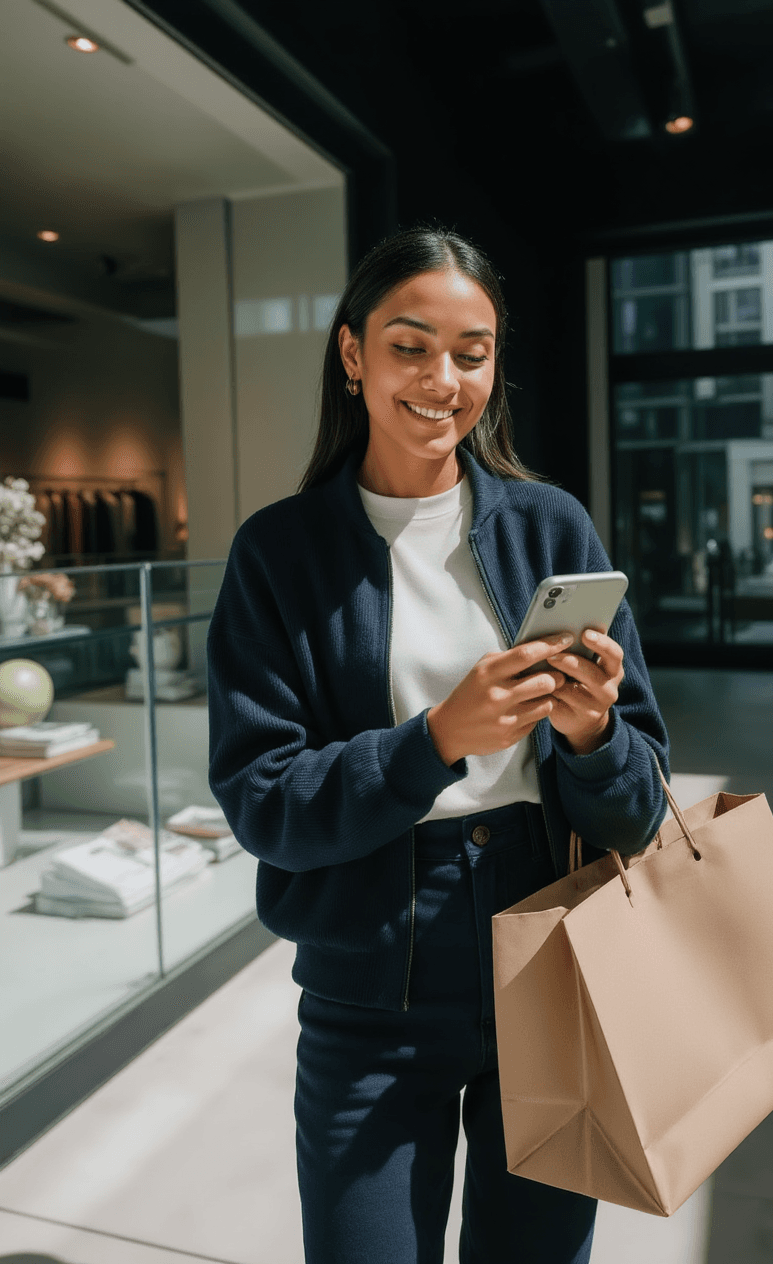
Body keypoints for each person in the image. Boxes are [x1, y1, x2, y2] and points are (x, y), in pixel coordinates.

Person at [207, 226, 670, 1264]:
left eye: (473, 350)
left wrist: (592, 733)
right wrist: (433, 741)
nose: (443, 378)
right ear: (351, 354)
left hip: (552, 945)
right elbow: (262, 801)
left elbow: (640, 803)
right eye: (410, 345)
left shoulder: (551, 527)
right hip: (368, 972)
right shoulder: (280, 553)